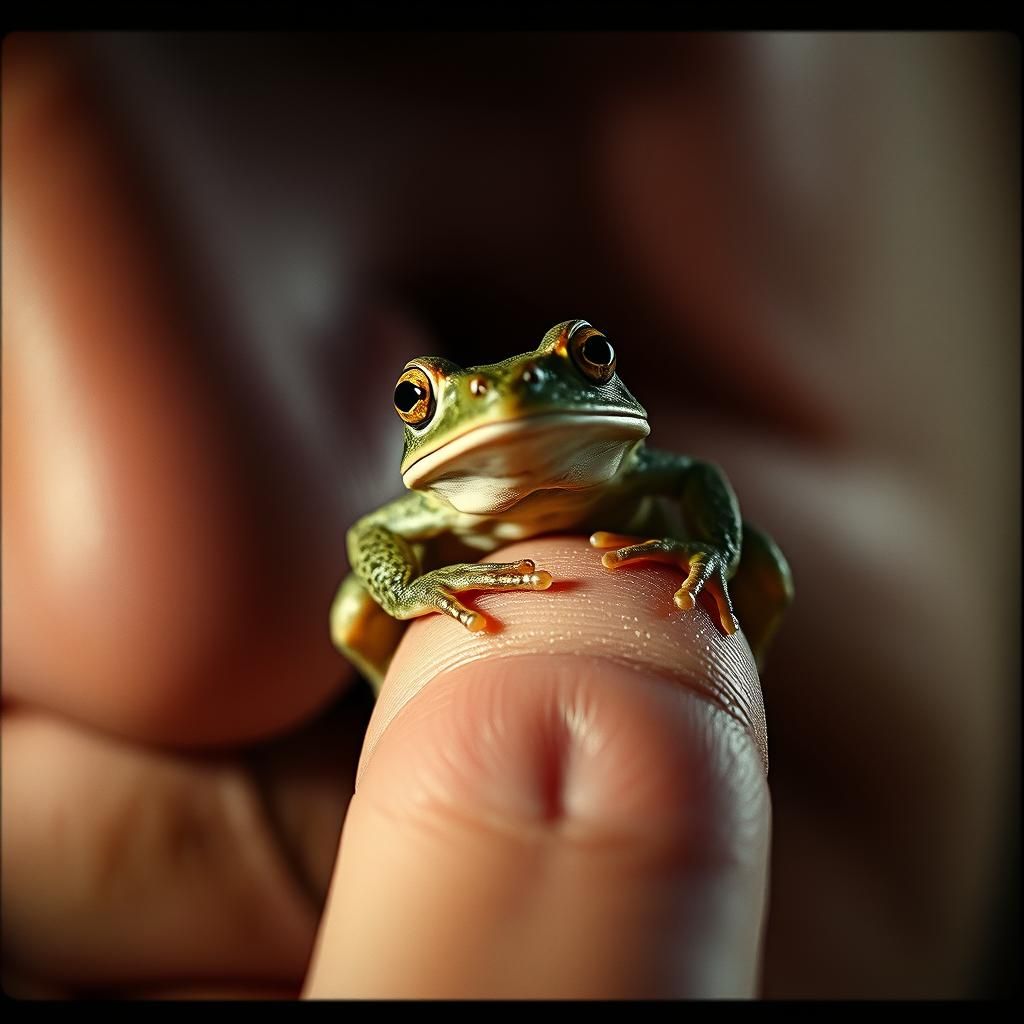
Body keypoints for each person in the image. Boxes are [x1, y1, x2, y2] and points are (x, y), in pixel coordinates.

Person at [2, 31, 1017, 998]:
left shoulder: (649, 472)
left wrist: (702, 554)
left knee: (765, 570)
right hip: (455, 551)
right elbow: (371, 547)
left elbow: (696, 489)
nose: (159, 600)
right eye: (420, 401)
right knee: (359, 607)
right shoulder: (405, 514)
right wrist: (424, 586)